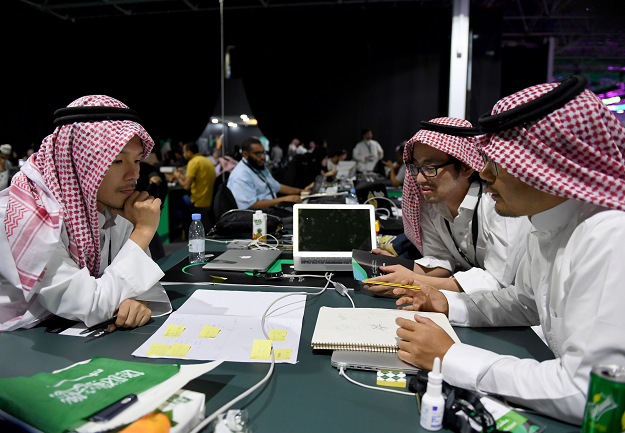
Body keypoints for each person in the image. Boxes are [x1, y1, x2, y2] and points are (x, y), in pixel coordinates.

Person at [393, 76, 625, 425]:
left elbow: (587, 392)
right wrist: (447, 303)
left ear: (548, 166)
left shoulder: (608, 237)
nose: (484, 174)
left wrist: (452, 357)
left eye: (497, 162)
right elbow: (523, 301)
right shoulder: (546, 223)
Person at [0, 95, 172, 332]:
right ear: (80, 163)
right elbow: (89, 304)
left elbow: (140, 282)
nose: (134, 174)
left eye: (137, 160)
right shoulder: (25, 214)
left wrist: (134, 301)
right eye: (117, 161)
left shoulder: (111, 203)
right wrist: (142, 231)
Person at [366, 118, 530, 295]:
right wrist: (398, 268)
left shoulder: (499, 204)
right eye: (417, 167)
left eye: (430, 167)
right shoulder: (431, 205)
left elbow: (496, 282)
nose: (420, 179)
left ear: (466, 167)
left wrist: (412, 282)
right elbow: (440, 260)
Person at [227, 137, 309, 209]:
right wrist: (285, 199)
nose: (263, 157)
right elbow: (250, 206)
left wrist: (301, 191)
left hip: (272, 209)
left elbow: (276, 186)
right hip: (257, 217)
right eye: (257, 153)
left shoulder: (257, 166)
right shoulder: (241, 175)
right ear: (245, 154)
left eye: (263, 152)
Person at [170, 141, 216, 220]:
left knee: (174, 203)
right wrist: (180, 176)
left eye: (184, 152)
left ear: (189, 152)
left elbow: (186, 186)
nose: (183, 154)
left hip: (198, 201)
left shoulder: (193, 162)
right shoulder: (206, 160)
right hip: (209, 200)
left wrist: (177, 176)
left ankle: (186, 226)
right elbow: (195, 178)